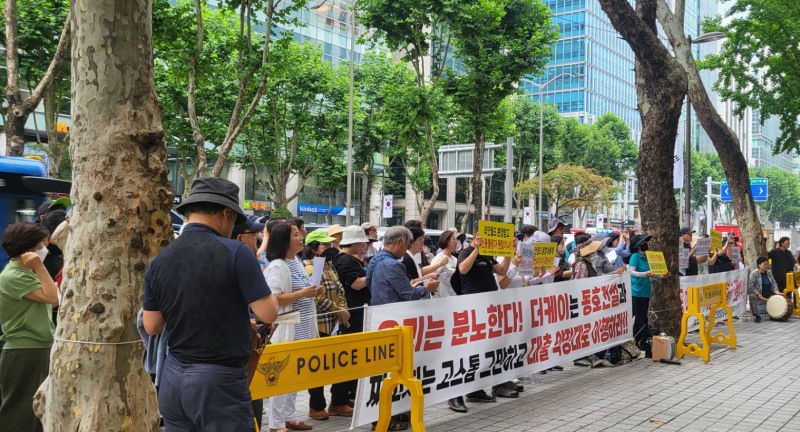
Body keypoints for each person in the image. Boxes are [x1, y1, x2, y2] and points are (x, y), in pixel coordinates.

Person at [142, 177, 279, 432]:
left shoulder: (159, 260)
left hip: (172, 377)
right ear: (226, 213)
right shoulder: (237, 252)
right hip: (218, 380)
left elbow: (152, 325)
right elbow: (268, 313)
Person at [366, 226, 438, 430]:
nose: (405, 249)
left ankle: (383, 417)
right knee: (396, 372)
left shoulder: (375, 260)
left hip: (379, 319)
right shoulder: (392, 265)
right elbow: (409, 295)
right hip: (395, 321)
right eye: (406, 245)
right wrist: (427, 289)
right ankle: (389, 419)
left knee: (383, 373)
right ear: (398, 243)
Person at [0, 222, 58, 432]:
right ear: (29, 250)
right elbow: (53, 298)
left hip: (36, 347)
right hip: (25, 350)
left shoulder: (25, 273)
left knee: (34, 411)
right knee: (20, 412)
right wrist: (40, 267)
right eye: (41, 244)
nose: (45, 247)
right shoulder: (14, 276)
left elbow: (53, 298)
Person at [264, 222, 319, 432]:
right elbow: (273, 297)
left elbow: (300, 289)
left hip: (302, 327)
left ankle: (290, 417)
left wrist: (311, 292)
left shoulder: (295, 260)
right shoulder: (278, 265)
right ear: (284, 240)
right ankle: (277, 424)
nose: (301, 237)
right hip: (287, 329)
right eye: (296, 234)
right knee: (283, 377)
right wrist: (302, 294)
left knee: (295, 375)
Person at [457, 231, 516, 401]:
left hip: (489, 306)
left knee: (489, 346)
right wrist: (476, 249)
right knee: (476, 347)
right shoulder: (466, 252)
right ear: (476, 237)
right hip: (474, 306)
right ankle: (472, 390)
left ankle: (486, 386)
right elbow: (462, 269)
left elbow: (502, 270)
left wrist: (508, 253)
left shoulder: (487, 255)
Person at [303, 229, 353, 420]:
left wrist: (343, 310)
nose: (330, 246)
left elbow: (340, 290)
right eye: (325, 244)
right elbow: (316, 296)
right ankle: (316, 406)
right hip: (320, 323)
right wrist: (338, 311)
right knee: (318, 367)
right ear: (315, 248)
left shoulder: (329, 265)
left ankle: (338, 402)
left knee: (340, 363)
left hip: (337, 323)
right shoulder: (308, 267)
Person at [628, 234, 659, 357]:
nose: (646, 244)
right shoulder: (635, 257)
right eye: (643, 243)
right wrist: (644, 274)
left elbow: (653, 272)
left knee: (639, 320)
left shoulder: (648, 257)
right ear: (638, 246)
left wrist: (662, 275)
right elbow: (631, 272)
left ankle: (635, 343)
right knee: (642, 320)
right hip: (637, 292)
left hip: (646, 291)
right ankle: (647, 347)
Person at [748, 257, 782, 323]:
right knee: (752, 296)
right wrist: (757, 294)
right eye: (764, 264)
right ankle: (757, 315)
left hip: (769, 293)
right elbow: (750, 286)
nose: (766, 266)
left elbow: (774, 282)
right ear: (759, 265)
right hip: (759, 294)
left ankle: (775, 314)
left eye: (767, 264)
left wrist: (776, 291)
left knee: (779, 297)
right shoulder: (754, 273)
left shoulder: (769, 272)